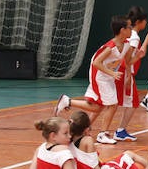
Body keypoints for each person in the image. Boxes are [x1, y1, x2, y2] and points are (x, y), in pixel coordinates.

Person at [55, 16, 132, 144]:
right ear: (122, 30)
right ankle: (103, 134)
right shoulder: (111, 46)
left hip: (107, 75)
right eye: (129, 27)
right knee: (112, 104)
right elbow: (97, 62)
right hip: (99, 74)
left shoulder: (126, 45)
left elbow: (127, 61)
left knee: (97, 107)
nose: (131, 29)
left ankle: (68, 102)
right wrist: (112, 73)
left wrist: (129, 73)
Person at [113, 6, 148, 142]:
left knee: (117, 103)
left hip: (123, 71)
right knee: (130, 102)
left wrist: (138, 56)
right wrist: (128, 74)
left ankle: (120, 130)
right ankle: (120, 130)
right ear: (140, 21)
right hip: (125, 72)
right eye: (145, 21)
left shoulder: (131, 35)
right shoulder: (134, 37)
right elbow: (126, 59)